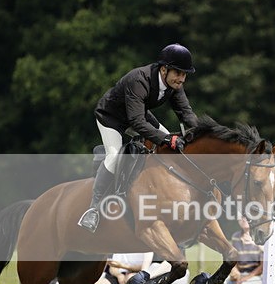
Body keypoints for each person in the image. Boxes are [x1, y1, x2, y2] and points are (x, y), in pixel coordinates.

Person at [78, 43, 200, 232]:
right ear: (164, 69)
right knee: (114, 156)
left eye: (184, 74)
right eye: (178, 73)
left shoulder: (174, 84)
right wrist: (167, 139)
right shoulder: (139, 79)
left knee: (168, 144)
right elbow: (137, 123)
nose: (181, 79)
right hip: (111, 118)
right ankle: (93, 209)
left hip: (138, 115)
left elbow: (186, 112)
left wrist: (201, 134)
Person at [210, 215, 263, 284]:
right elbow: (233, 258)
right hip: (239, 275)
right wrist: (234, 271)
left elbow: (262, 267)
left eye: (246, 218)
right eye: (241, 218)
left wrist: (245, 278)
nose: (244, 220)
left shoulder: (259, 237)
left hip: (256, 276)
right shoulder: (235, 237)